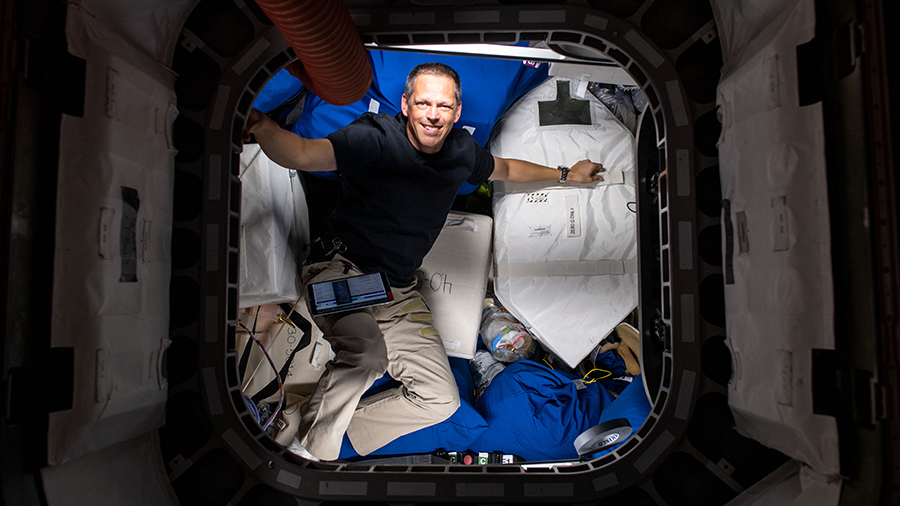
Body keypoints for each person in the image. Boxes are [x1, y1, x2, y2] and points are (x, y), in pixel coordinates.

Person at [243, 62, 605, 461]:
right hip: (341, 268)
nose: (433, 114)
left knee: (440, 400)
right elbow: (304, 153)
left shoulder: (461, 152)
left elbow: (505, 169)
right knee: (366, 358)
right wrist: (263, 126)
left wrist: (566, 174)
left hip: (397, 289)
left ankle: (307, 423)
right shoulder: (374, 136)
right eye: (424, 103)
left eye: (444, 106)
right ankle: (306, 454)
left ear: (457, 111)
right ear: (405, 104)